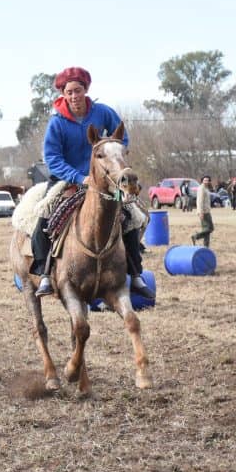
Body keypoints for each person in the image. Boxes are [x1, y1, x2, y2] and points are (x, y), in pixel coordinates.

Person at [30, 66, 153, 300]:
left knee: (132, 216)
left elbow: (121, 139)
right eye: (69, 92)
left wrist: (111, 157)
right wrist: (79, 177)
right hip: (67, 181)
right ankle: (44, 273)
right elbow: (52, 158)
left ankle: (136, 273)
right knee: (45, 216)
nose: (74, 96)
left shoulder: (103, 112)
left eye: (78, 91)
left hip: (104, 181)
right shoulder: (57, 123)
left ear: (86, 90)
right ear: (63, 94)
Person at [191, 175, 214, 247]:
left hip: (207, 211)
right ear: (202, 181)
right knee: (208, 228)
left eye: (207, 180)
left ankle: (206, 246)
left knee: (209, 229)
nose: (206, 181)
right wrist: (200, 212)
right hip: (203, 212)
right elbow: (199, 201)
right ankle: (196, 236)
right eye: (205, 180)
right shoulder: (201, 188)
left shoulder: (206, 188)